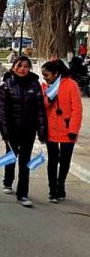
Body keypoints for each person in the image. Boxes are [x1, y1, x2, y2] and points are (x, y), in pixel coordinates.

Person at [0, 56, 47, 207]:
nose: (23, 69)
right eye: (20, 66)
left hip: (28, 129)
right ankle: (8, 180)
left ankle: (23, 193)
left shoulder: (35, 85)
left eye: (26, 66)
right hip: (12, 129)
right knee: (11, 156)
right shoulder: (7, 85)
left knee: (25, 161)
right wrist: (4, 131)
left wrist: (42, 130)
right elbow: (2, 111)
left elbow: (40, 109)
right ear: (14, 67)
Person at [41, 60, 83, 203]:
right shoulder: (45, 87)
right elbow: (43, 106)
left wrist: (73, 129)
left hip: (67, 130)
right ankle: (52, 189)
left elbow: (77, 109)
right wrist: (49, 98)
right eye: (43, 75)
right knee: (52, 160)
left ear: (56, 73)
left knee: (65, 161)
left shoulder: (71, 85)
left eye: (47, 75)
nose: (45, 78)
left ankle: (61, 185)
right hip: (51, 130)